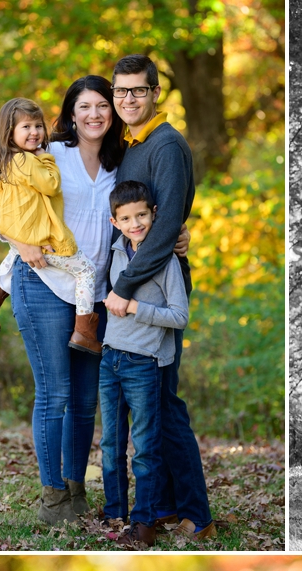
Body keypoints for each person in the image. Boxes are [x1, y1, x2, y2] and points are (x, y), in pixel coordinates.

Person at [0, 84, 125, 526]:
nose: (95, 114)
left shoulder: (123, 159)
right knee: (55, 393)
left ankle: (76, 491)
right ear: (71, 114)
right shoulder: (48, 152)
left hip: (94, 291)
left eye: (103, 106)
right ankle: (52, 497)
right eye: (85, 107)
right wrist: (20, 243)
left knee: (84, 401)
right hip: (42, 281)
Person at [108, 54, 215, 540]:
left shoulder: (167, 145)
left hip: (155, 285)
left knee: (166, 407)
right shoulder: (130, 144)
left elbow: (167, 223)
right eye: (121, 91)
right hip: (132, 288)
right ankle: (169, 504)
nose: (128, 99)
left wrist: (124, 287)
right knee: (158, 404)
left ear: (155, 93)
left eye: (138, 90)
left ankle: (198, 514)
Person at [100, 182, 190, 547]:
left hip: (143, 362)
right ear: (115, 221)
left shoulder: (165, 258)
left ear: (154, 213)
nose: (135, 223)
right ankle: (115, 511)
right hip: (110, 358)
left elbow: (179, 316)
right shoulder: (115, 252)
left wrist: (136, 307)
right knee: (110, 442)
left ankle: (145, 521)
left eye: (141, 215)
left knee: (145, 446)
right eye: (126, 218)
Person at [0, 98, 101, 355]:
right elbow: (51, 185)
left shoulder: (5, 162)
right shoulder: (29, 161)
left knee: (14, 253)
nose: (34, 132)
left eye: (38, 126)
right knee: (87, 271)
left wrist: (18, 239)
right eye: (26, 127)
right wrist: (46, 160)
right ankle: (85, 331)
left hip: (23, 235)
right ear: (9, 133)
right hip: (45, 241)